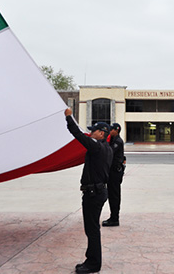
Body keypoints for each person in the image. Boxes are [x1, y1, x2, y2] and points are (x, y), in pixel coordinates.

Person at [65, 109, 113, 274]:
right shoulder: (107, 148)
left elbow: (78, 135)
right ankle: (90, 259)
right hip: (98, 192)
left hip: (94, 193)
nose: (90, 133)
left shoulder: (97, 147)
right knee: (92, 229)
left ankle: (93, 264)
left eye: (93, 131)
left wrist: (69, 117)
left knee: (92, 230)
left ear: (101, 133)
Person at [102, 123, 125, 227]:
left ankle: (114, 219)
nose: (110, 131)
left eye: (111, 130)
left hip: (115, 173)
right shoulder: (113, 140)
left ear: (116, 130)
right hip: (112, 172)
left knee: (114, 196)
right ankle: (113, 217)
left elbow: (109, 151)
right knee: (112, 195)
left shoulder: (117, 142)